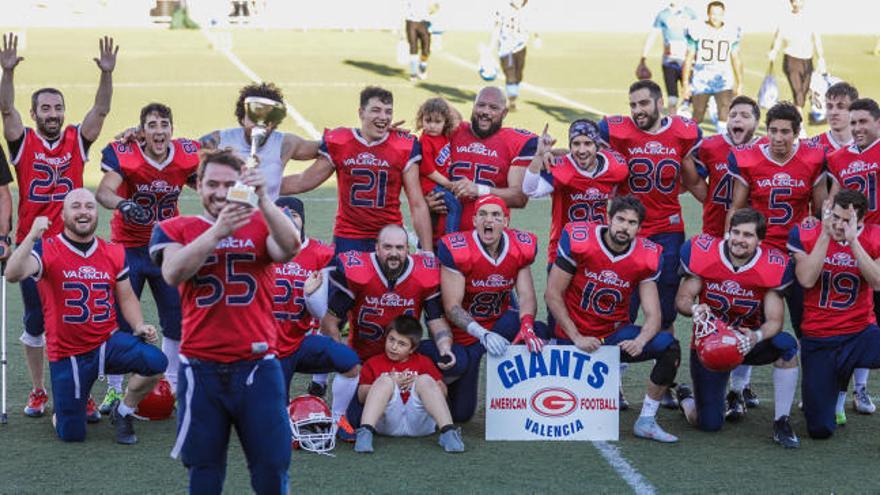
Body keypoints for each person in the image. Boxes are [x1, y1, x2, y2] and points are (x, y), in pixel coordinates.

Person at [149, 148, 299, 493]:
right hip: (201, 367)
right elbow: (172, 273)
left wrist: (263, 200)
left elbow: (289, 248)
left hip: (258, 365)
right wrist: (217, 231)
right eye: (212, 183)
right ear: (197, 185)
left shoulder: (261, 222)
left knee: (272, 468)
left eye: (229, 184)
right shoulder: (176, 227)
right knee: (203, 469)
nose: (219, 192)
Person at [0, 33, 117, 418]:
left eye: (57, 108)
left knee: (77, 323)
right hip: (33, 247)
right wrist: (8, 72)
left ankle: (80, 392)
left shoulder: (75, 140)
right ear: (34, 114)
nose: (52, 113)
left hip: (72, 245)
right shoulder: (23, 141)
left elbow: (100, 112)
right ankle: (38, 391)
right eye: (45, 108)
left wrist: (106, 75)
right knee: (36, 321)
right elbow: (5, 111)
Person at [5, 189, 166, 444]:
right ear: (63, 214)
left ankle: (123, 410)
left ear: (96, 212)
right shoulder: (47, 248)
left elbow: (126, 297)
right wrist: (31, 237)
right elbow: (12, 274)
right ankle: (67, 405)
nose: (83, 212)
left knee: (156, 361)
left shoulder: (113, 251)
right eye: (76, 206)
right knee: (72, 435)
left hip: (107, 343)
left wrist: (138, 324)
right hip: (68, 354)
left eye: (89, 206)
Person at [544, 195, 682, 443]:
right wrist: (576, 336)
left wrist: (640, 340)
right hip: (572, 336)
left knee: (669, 346)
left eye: (632, 223)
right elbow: (553, 294)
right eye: (620, 219)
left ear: (639, 229)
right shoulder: (580, 240)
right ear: (608, 219)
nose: (624, 227)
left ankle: (647, 420)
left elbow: (654, 315)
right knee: (564, 408)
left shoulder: (646, 255)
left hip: (611, 337)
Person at [95, 103, 200, 412]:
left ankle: (172, 385)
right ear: (141, 132)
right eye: (152, 125)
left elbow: (203, 181)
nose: (159, 131)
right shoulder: (126, 154)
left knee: (176, 319)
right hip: (128, 247)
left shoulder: (184, 155)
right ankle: (115, 390)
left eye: (164, 124)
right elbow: (103, 192)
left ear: (172, 129)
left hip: (165, 247)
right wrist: (123, 205)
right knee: (121, 322)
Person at [675, 208, 800, 448]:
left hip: (746, 342)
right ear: (727, 232)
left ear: (760, 240)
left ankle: (781, 421)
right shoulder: (705, 255)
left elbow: (775, 319)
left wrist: (756, 336)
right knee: (708, 423)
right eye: (736, 232)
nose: (740, 240)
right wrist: (694, 309)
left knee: (786, 345)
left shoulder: (772, 264)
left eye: (748, 235)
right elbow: (683, 298)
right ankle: (686, 398)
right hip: (710, 345)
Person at [320, 224, 456, 440]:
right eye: (388, 247)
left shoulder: (424, 275)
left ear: (407, 250)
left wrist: (445, 347)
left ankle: (438, 413)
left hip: (406, 356)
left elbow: (436, 320)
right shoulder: (359, 273)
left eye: (400, 248)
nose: (394, 253)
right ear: (377, 248)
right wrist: (342, 358)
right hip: (364, 360)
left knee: (454, 366)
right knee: (354, 421)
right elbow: (329, 321)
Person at [598, 80, 703, 342]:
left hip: (668, 230)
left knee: (666, 311)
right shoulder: (616, 131)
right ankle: (615, 378)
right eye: (633, 105)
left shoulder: (683, 132)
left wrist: (721, 209)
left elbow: (693, 181)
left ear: (660, 103)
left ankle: (663, 378)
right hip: (627, 231)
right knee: (621, 307)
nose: (637, 110)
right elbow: (586, 149)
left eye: (643, 103)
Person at [429, 195, 547, 423]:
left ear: (506, 221)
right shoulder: (458, 248)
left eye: (495, 215)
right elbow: (452, 307)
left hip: (499, 321)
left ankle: (525, 394)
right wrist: (481, 333)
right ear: (473, 220)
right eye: (482, 214)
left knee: (540, 332)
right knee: (461, 414)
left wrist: (527, 326)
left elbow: (526, 296)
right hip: (466, 333)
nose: (488, 220)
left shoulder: (520, 246)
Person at [280, 86, 433, 255]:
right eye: (376, 110)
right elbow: (304, 181)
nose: (383, 117)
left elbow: (417, 204)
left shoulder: (403, 145)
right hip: (348, 235)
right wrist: (259, 186)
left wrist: (428, 252)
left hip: (389, 235)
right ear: (361, 113)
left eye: (388, 112)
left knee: (390, 281)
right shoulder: (341, 141)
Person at [787, 190, 880, 439]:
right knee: (819, 429)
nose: (839, 224)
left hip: (860, 333)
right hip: (819, 337)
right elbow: (806, 280)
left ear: (860, 221)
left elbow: (878, 281)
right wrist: (826, 235)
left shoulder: (873, 236)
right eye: (835, 217)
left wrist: (854, 242)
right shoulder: (806, 233)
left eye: (846, 220)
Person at [728, 101, 827, 334]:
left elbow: (822, 208)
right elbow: (737, 209)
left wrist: (816, 225)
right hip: (763, 249)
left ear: (796, 133)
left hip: (798, 250)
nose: (778, 137)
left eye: (785, 131)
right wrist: (729, 242)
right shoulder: (748, 158)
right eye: (773, 130)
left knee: (806, 323)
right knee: (753, 322)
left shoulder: (813, 157)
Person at [692, 95, 763, 406]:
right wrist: (707, 199)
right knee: (710, 307)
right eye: (734, 114)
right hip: (713, 238)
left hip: (749, 243)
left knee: (750, 311)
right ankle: (708, 370)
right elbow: (691, 179)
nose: (738, 119)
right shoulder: (710, 146)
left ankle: (740, 385)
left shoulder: (763, 149)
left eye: (745, 115)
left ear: (756, 122)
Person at [271, 196, 361, 402]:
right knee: (276, 411)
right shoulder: (262, 251)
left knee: (349, 360)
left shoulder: (322, 253)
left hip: (303, 339)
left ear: (302, 219)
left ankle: (339, 417)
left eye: (293, 215)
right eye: (281, 215)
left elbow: (328, 311)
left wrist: (310, 296)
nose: (288, 220)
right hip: (267, 344)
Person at [825, 97, 880, 417]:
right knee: (852, 318)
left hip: (876, 242)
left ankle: (861, 387)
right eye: (854, 122)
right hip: (852, 243)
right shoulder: (838, 157)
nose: (857, 128)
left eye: (864, 122)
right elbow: (833, 202)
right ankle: (839, 396)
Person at [428, 87, 536, 234]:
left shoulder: (515, 142)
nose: (486, 111)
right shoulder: (451, 130)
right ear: (473, 106)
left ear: (504, 113)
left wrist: (478, 190)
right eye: (481, 105)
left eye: (493, 107)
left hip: (486, 243)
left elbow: (519, 198)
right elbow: (420, 161)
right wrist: (427, 200)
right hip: (441, 236)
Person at [522, 119, 628, 265]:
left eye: (588, 143)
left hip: (599, 248)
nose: (582, 150)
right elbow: (529, 190)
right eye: (576, 144)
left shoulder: (615, 167)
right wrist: (540, 155)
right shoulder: (562, 168)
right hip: (565, 250)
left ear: (597, 146)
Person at [353, 315, 464, 454]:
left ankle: (448, 432)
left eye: (402, 344)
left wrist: (416, 382)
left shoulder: (423, 362)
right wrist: (392, 382)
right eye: (391, 340)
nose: (394, 347)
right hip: (387, 422)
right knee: (384, 381)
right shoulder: (373, 362)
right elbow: (361, 396)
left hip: (419, 423)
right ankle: (365, 432)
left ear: (412, 348)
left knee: (425, 379)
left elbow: (443, 393)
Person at [199, 82, 320, 201]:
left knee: (294, 207)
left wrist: (277, 186)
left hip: (266, 218)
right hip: (224, 218)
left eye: (267, 118)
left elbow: (327, 149)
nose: (259, 123)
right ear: (242, 119)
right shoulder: (218, 141)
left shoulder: (286, 143)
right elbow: (185, 164)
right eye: (253, 117)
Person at [680, 1, 743, 129]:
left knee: (725, 114)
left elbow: (736, 58)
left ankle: (724, 146)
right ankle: (691, 144)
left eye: (719, 14)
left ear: (723, 14)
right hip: (702, 79)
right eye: (713, 14)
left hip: (723, 79)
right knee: (698, 115)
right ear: (708, 14)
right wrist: (685, 84)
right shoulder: (697, 30)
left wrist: (740, 82)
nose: (716, 17)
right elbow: (689, 58)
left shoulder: (732, 31)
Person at [767, 0, 827, 124]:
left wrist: (821, 57)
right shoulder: (786, 19)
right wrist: (774, 51)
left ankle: (797, 120)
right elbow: (778, 38)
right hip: (791, 59)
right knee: (798, 94)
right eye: (794, 1)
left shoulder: (811, 19)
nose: (797, 3)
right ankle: (799, 127)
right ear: (791, 3)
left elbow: (816, 39)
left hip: (807, 60)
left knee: (803, 95)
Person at [414, 97, 463, 239]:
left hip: (441, 184)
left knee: (435, 219)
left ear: (445, 122)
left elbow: (459, 121)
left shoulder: (444, 136)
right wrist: (449, 184)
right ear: (421, 120)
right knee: (455, 206)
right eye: (428, 120)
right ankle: (451, 240)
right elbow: (428, 171)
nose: (432, 126)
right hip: (432, 186)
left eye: (437, 122)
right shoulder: (425, 141)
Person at [637, 1, 698, 114]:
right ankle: (673, 125)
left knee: (690, 95)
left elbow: (698, 35)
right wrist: (643, 57)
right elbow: (652, 36)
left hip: (688, 62)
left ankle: (687, 122)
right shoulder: (663, 15)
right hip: (669, 62)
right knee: (672, 99)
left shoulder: (690, 13)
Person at [490, 0, 531, 110]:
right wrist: (492, 46)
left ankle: (513, 95)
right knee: (510, 73)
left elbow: (532, 26)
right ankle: (511, 100)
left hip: (521, 46)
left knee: (518, 74)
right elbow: (496, 28)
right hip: (505, 47)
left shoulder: (527, 10)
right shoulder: (503, 10)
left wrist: (537, 37)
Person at [812, 82, 858, 153]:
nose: (833, 112)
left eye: (841, 107)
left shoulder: (871, 146)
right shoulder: (812, 147)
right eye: (829, 106)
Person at [403, 0, 438, 81]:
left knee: (426, 50)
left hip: (425, 22)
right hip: (411, 22)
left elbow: (436, 6)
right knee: (413, 48)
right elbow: (404, 9)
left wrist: (434, 9)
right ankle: (413, 72)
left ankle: (422, 67)